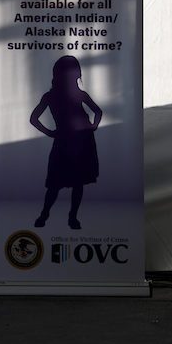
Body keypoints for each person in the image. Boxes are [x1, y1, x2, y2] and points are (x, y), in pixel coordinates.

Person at [30, 56, 102, 229]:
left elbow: (98, 112)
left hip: (78, 140)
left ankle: (65, 217)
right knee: (60, 183)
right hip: (71, 141)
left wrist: (92, 126)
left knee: (74, 182)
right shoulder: (61, 95)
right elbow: (33, 119)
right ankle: (50, 215)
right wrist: (92, 126)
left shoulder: (57, 95)